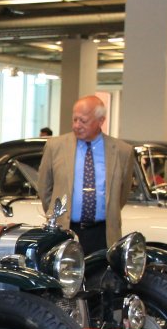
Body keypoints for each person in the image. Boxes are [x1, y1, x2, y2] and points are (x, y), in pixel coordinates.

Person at [36, 95, 132, 256]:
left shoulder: (122, 151)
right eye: (75, 119)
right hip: (65, 231)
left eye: (83, 121)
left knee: (101, 272)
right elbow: (44, 188)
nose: (77, 125)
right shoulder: (55, 147)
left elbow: (122, 194)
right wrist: (58, 214)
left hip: (103, 234)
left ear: (101, 121)